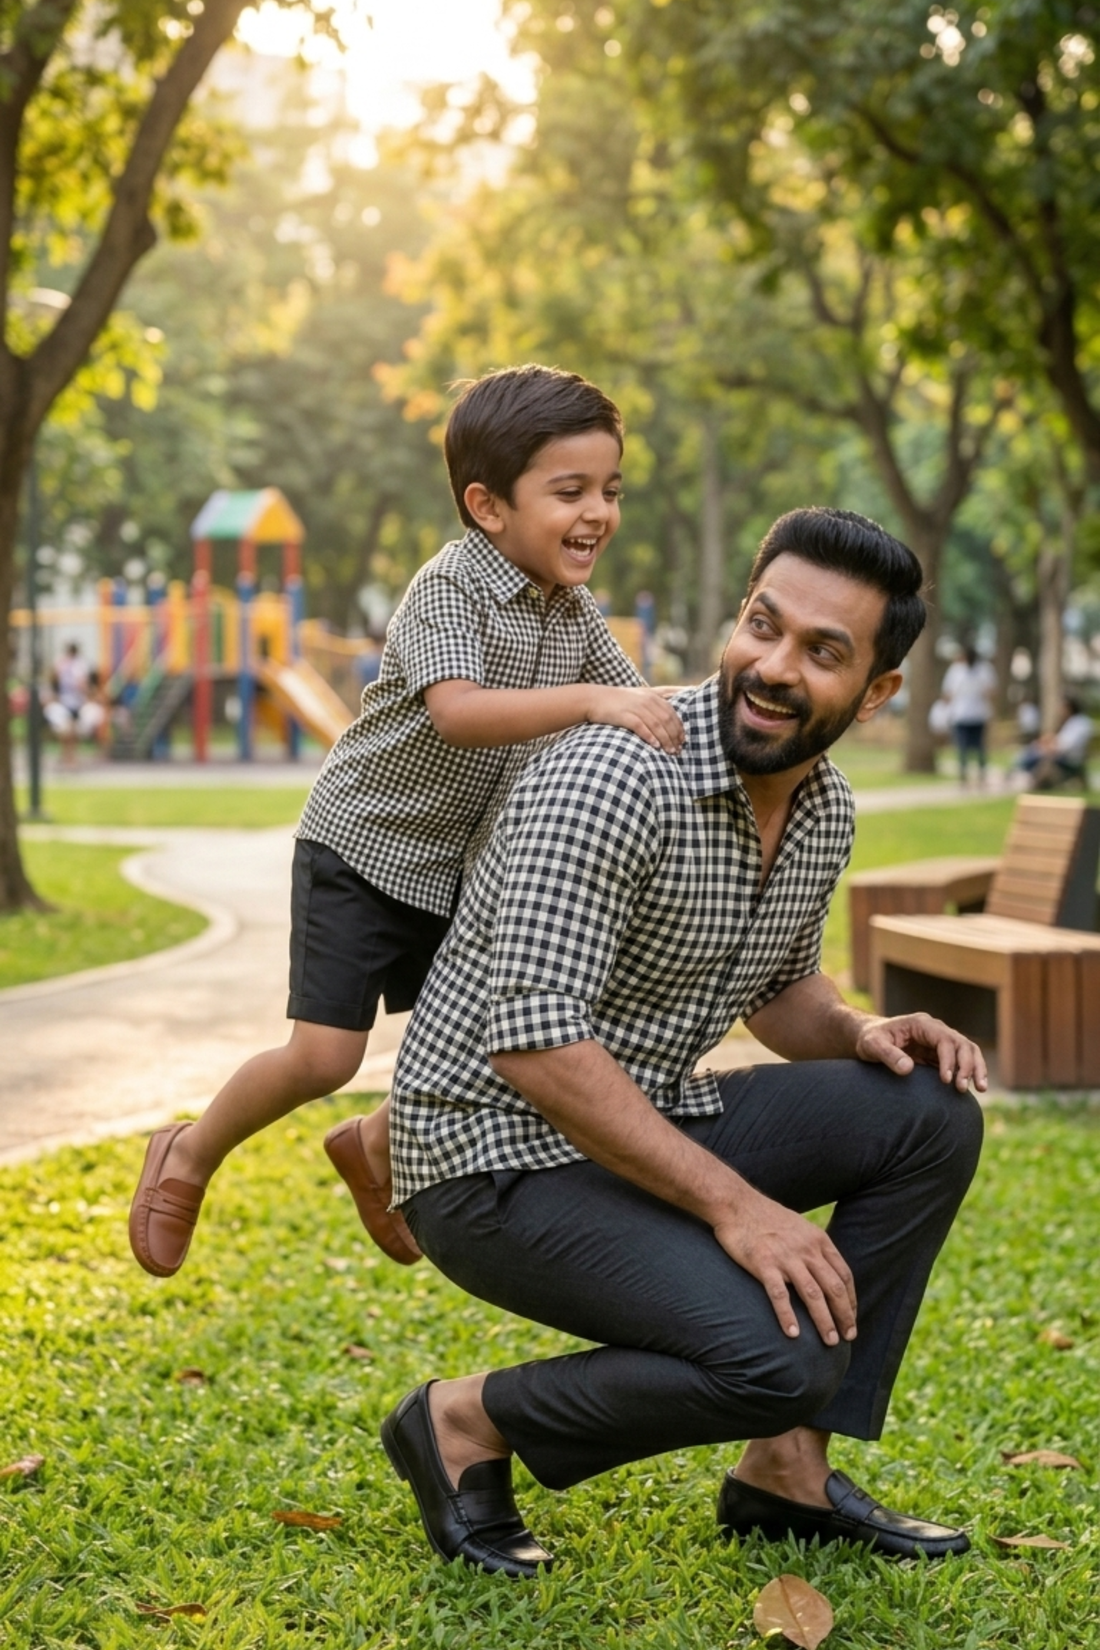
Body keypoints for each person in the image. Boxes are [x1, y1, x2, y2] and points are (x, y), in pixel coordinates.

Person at [369, 507, 987, 1578]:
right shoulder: (611, 770)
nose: (772, 666)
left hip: (642, 1118)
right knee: (783, 1355)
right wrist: (737, 1210)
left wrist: (859, 1029)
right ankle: (462, 1423)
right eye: (763, 624)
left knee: (925, 1112)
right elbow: (533, 1049)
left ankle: (783, 1473)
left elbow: (780, 987)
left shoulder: (820, 806)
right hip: (488, 1158)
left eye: (822, 652)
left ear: (875, 694)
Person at [128, 364, 684, 1279]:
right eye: (570, 491)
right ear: (488, 504)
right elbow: (459, 712)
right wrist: (590, 702)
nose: (598, 513)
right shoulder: (450, 585)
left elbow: (640, 707)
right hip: (363, 845)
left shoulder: (574, 611)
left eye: (610, 490)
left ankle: (376, 1145)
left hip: (462, 869)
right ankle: (186, 1153)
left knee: (499, 1041)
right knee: (323, 1055)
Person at [941, 644, 996, 784]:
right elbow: (947, 693)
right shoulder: (955, 670)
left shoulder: (985, 670)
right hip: (961, 715)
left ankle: (981, 774)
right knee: (962, 747)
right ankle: (963, 775)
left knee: (980, 747)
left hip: (979, 714)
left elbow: (992, 691)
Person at [1016, 694, 1094, 790]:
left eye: (1062, 707)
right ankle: (1021, 770)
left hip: (1069, 759)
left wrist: (1049, 747)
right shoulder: (1074, 722)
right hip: (1064, 755)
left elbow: (1066, 746)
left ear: (1070, 707)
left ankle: (1024, 774)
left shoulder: (1079, 724)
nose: (1060, 711)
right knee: (1033, 751)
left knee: (1036, 755)